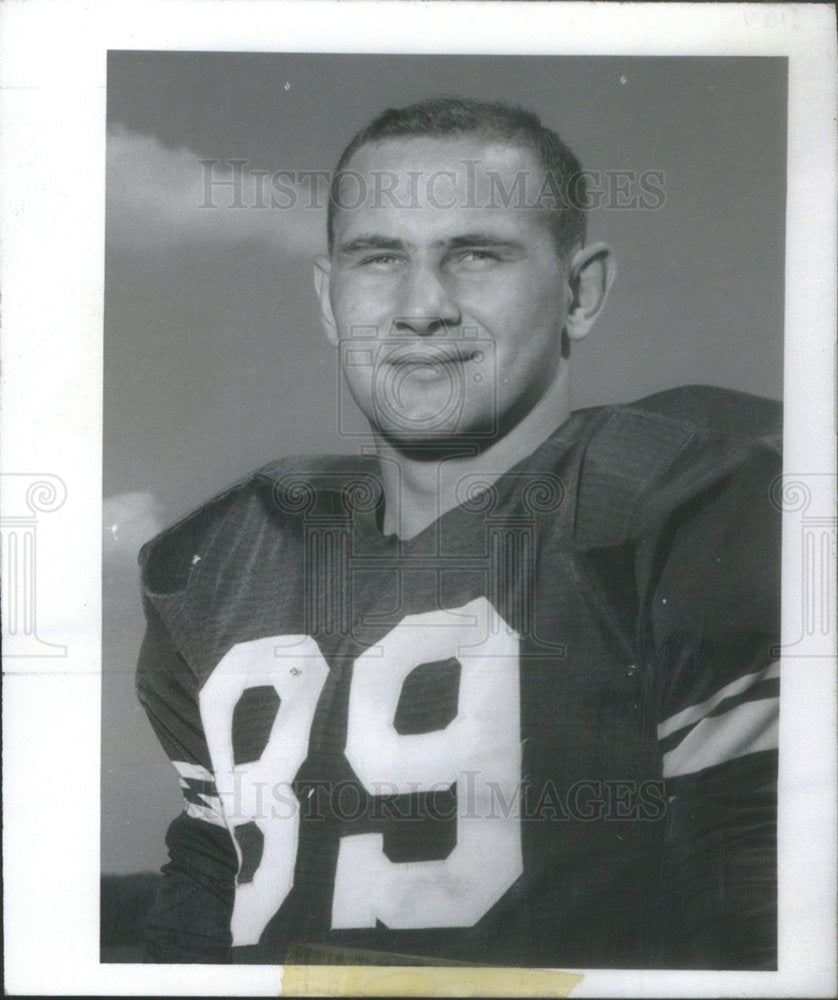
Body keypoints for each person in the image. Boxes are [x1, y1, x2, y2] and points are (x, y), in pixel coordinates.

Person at [136, 97, 781, 968]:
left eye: (475, 255)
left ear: (580, 293)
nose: (421, 307)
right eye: (379, 258)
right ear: (329, 299)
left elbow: (756, 926)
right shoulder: (219, 562)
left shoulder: (686, 512)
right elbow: (207, 895)